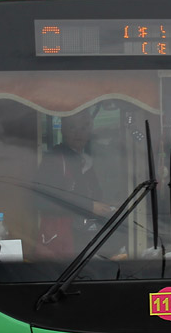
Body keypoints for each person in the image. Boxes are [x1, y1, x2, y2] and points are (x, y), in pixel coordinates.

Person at [35, 109, 113, 258]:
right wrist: (90, 206)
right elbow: (42, 199)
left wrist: (105, 205)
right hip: (63, 239)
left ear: (90, 131)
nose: (79, 133)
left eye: (84, 128)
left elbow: (93, 193)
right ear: (63, 130)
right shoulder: (54, 159)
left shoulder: (85, 159)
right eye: (73, 127)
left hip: (86, 235)